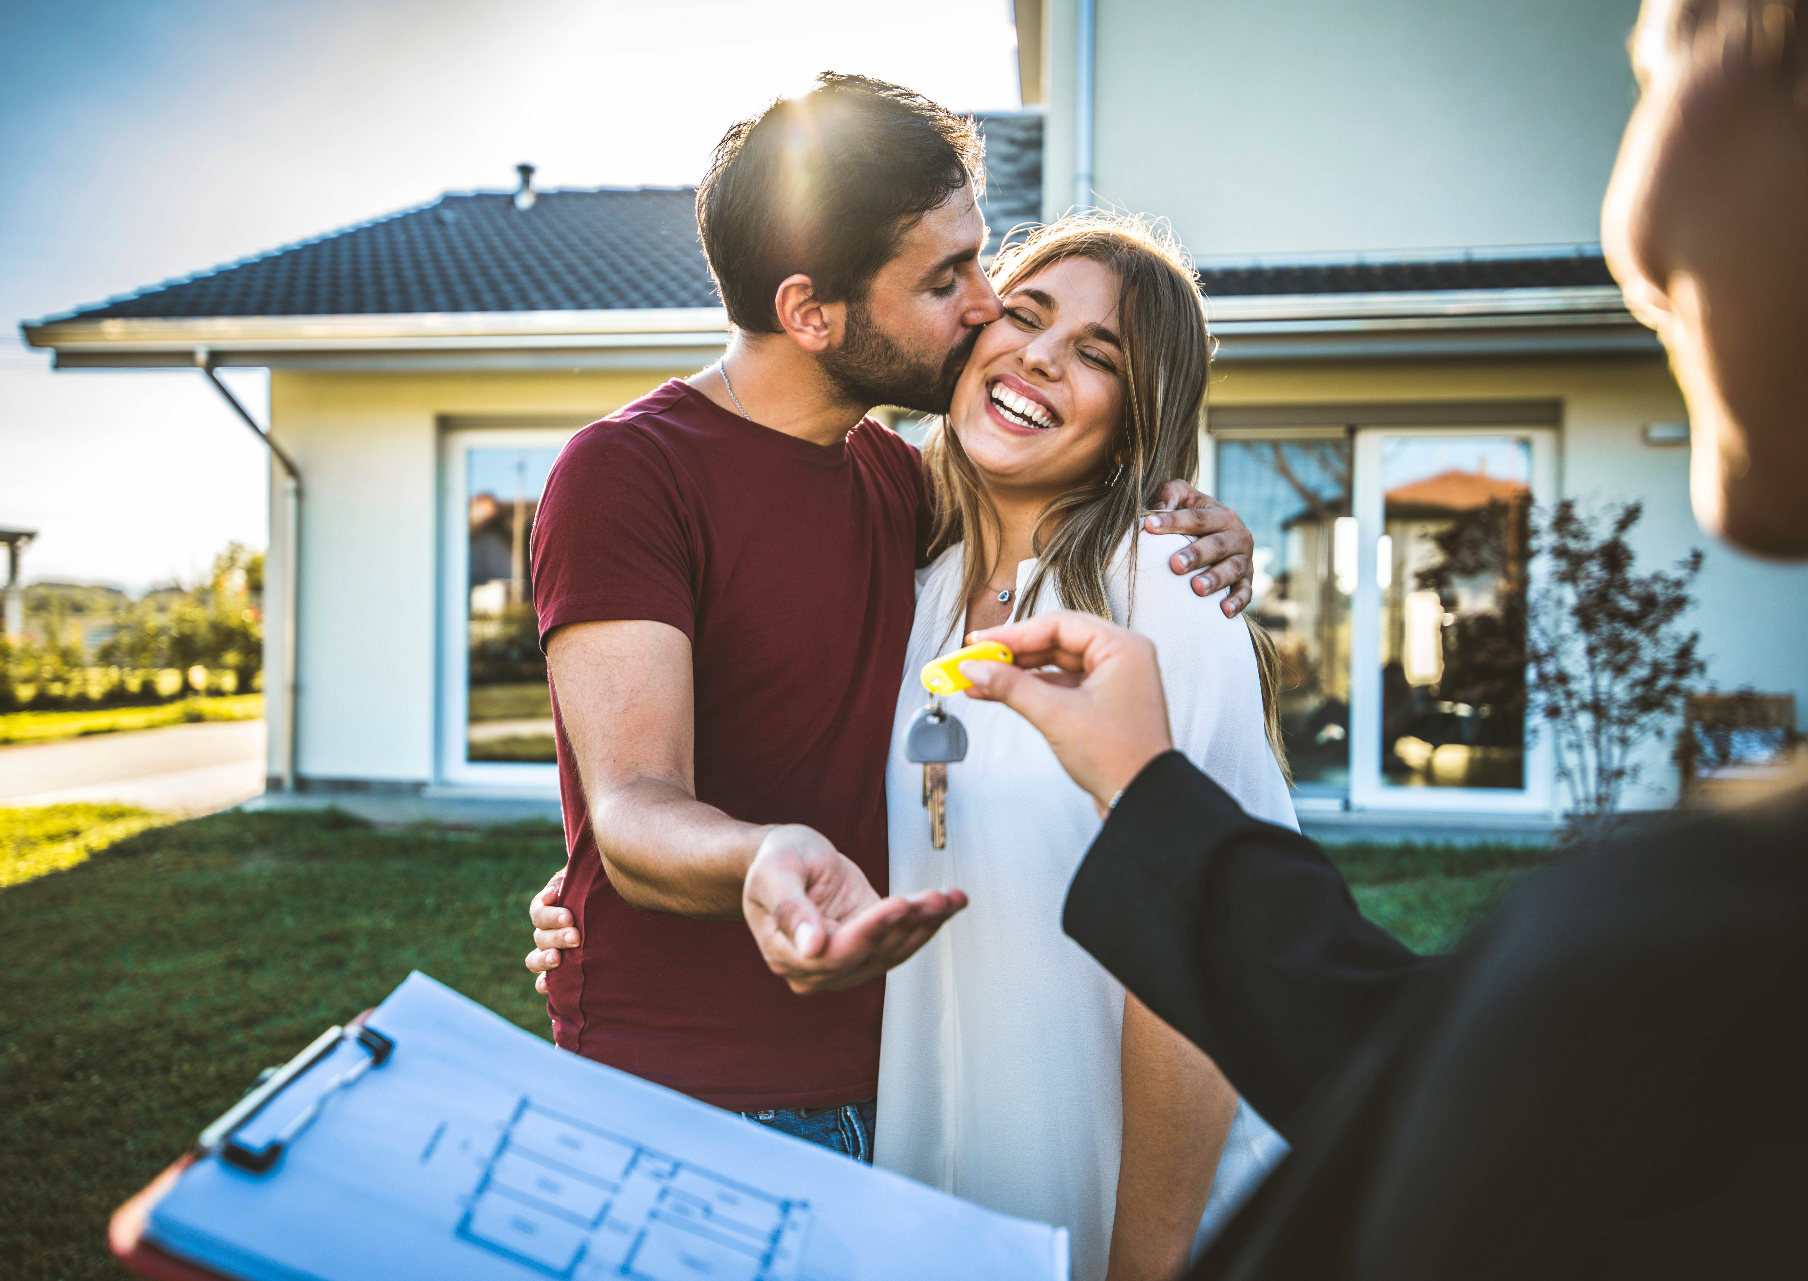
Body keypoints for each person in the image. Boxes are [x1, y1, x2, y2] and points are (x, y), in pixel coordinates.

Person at [950, 2, 1808, 1273]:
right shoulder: (896, 552)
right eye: (1018, 316)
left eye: (1654, 62)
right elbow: (1442, 1064)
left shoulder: (1170, 591)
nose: (1632, 225)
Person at [525, 73, 1258, 1159]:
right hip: (703, 1099)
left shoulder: (902, 488)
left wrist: (1183, 515)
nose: (984, 303)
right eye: (947, 278)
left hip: (914, 1094)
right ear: (811, 313)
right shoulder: (631, 472)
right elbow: (634, 805)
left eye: (981, 258)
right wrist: (731, 856)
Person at [872, 213, 1292, 1281]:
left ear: (1134, 419)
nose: (1040, 357)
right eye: (1023, 314)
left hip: (1139, 1217)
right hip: (945, 1206)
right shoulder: (911, 588)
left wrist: (1140, 1268)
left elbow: (1204, 969)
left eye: (1098, 355)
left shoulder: (1172, 600)